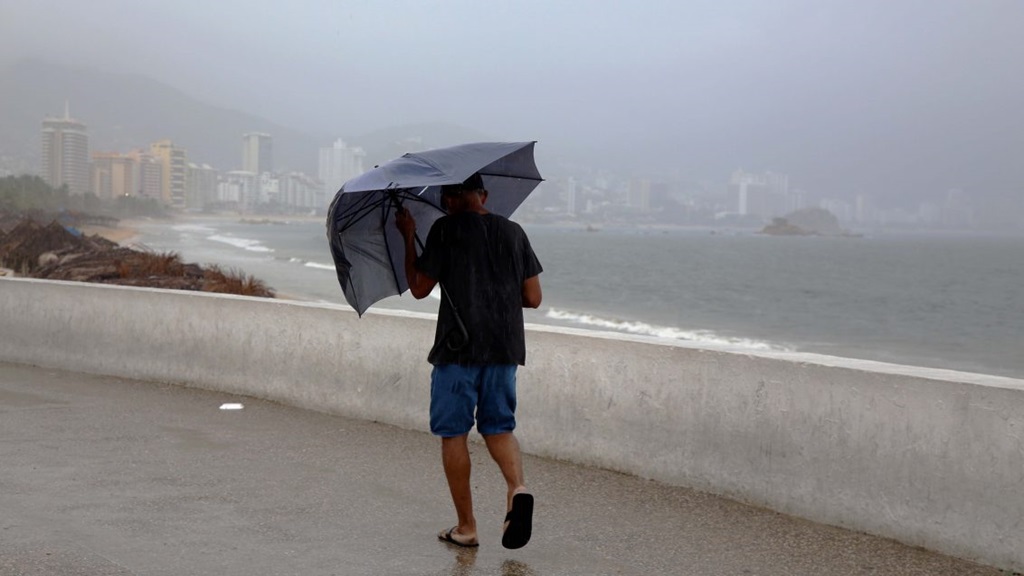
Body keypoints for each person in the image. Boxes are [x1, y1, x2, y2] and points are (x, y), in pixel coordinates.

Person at [394, 172, 543, 550]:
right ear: (484, 195)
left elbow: (419, 288)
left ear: (451, 199)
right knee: (499, 428)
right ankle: (517, 489)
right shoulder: (514, 232)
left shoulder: (445, 231)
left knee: (454, 433)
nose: (446, 203)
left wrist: (408, 237)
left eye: (447, 196)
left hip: (457, 349)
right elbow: (534, 297)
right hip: (505, 347)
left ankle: (467, 527)